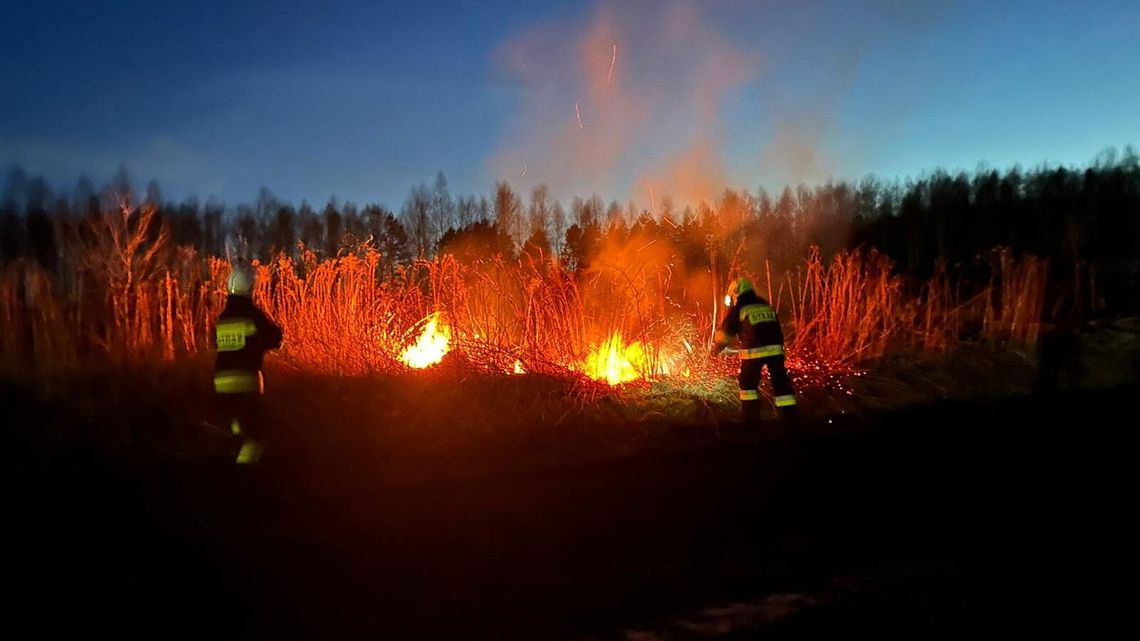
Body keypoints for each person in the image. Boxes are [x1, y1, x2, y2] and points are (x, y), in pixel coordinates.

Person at [212, 260, 282, 464]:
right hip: (246, 381)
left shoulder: (223, 318)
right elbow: (273, 338)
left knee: (236, 426)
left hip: (220, 383)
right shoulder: (252, 315)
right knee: (255, 437)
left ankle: (225, 458)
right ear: (251, 287)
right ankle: (245, 475)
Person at [711, 277, 798, 425]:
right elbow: (777, 328)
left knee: (748, 385)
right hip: (776, 351)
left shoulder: (740, 307)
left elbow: (726, 333)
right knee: (781, 383)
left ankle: (751, 418)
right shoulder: (765, 304)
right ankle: (790, 418)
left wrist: (715, 350)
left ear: (735, 294)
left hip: (754, 352)